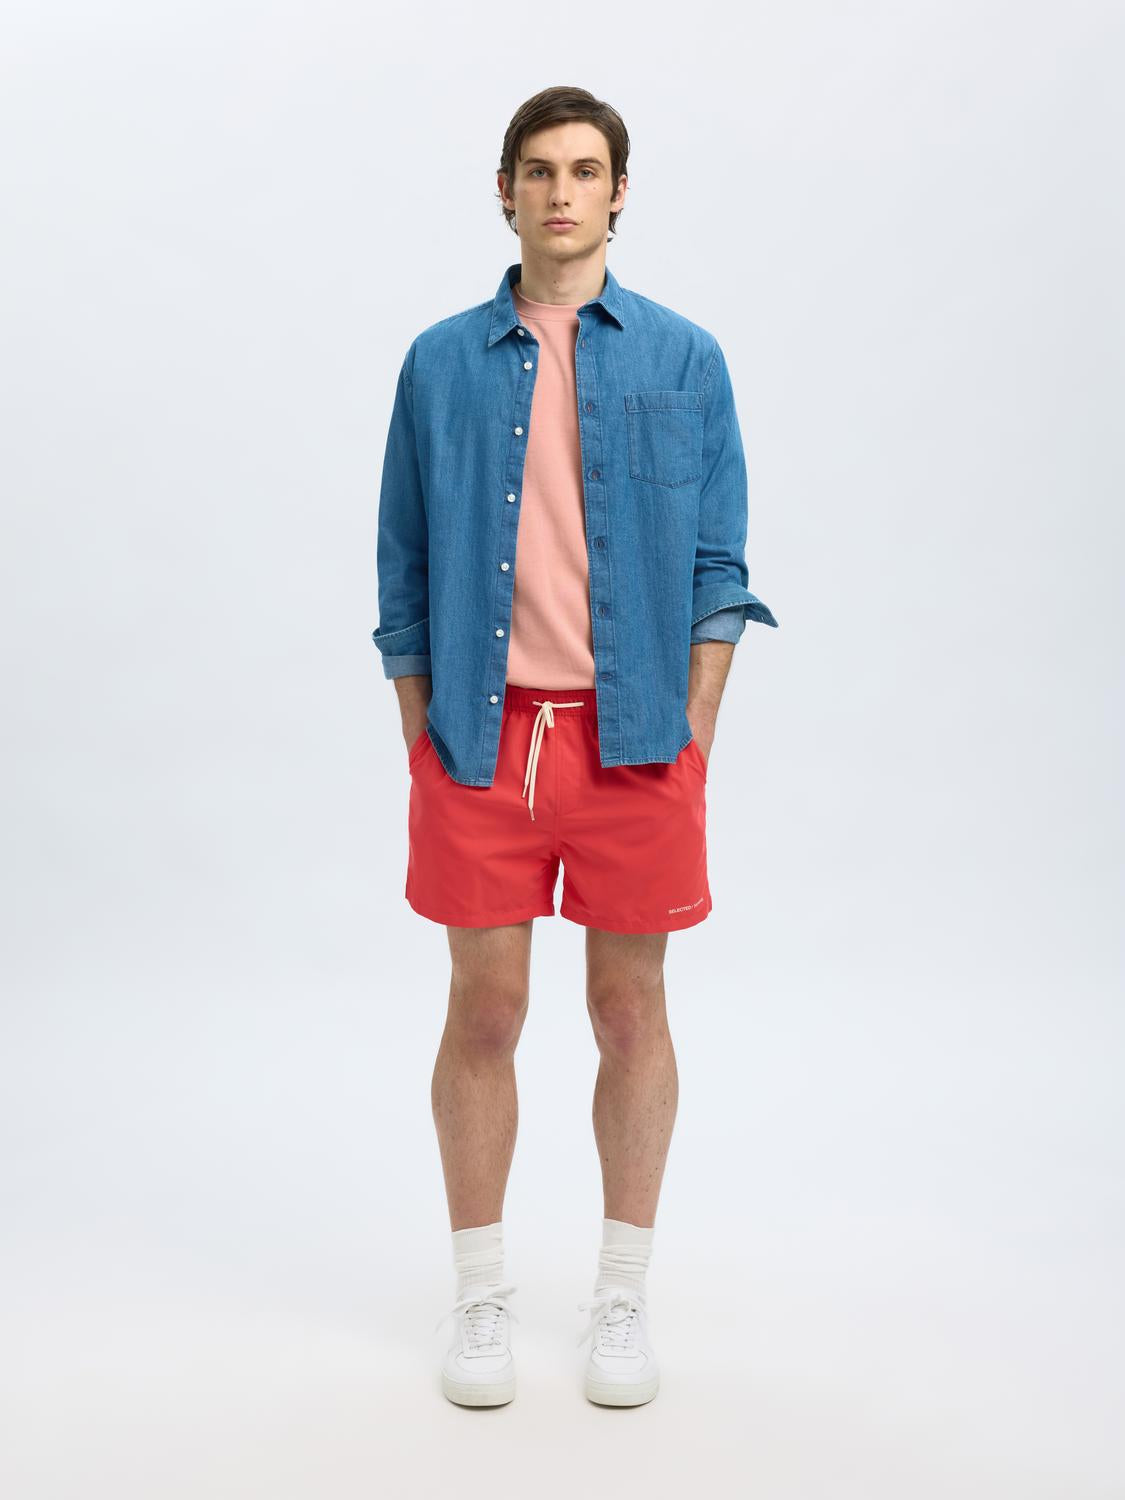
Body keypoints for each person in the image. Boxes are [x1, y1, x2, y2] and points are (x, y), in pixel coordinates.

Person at [371, 85, 778, 1408]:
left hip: (636, 741)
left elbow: (718, 565)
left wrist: (693, 730)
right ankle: (481, 1296)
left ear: (617, 193)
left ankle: (621, 1296)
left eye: (584, 170)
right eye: (538, 170)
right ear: (505, 192)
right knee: (485, 1007)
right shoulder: (439, 362)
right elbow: (403, 566)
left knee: (628, 1008)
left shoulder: (684, 358)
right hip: (482, 742)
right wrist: (425, 738)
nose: (561, 192)